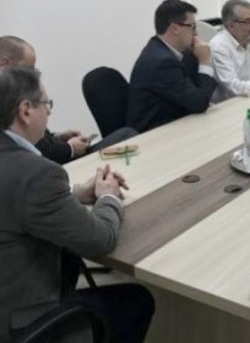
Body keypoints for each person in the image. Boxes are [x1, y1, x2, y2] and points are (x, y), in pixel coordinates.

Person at [0, 66, 154, 343]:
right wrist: (108, 196)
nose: (49, 113)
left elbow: (17, 203)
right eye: (46, 104)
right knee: (137, 300)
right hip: (20, 324)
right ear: (25, 110)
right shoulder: (36, 173)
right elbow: (100, 240)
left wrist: (76, 193)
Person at [0, 35, 137, 164]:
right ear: (4, 64)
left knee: (126, 136)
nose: (32, 73)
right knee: (126, 135)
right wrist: (70, 148)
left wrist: (57, 137)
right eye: (29, 68)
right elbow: (35, 148)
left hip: (52, 159)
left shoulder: (13, 92)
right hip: (52, 167)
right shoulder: (10, 98)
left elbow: (33, 138)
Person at [127, 0, 218, 132]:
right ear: (175, 29)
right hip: (155, 133)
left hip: (175, 123)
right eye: (192, 27)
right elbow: (200, 103)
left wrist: (197, 58)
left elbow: (198, 94)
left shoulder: (166, 51)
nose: (196, 34)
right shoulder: (162, 63)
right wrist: (204, 61)